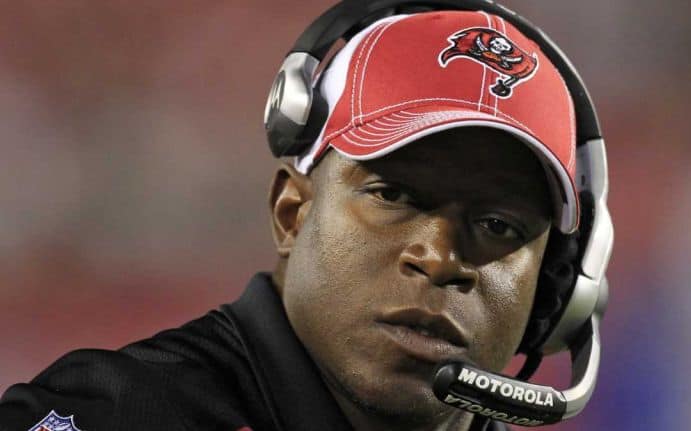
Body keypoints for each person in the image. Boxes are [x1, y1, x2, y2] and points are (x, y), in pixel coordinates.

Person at [0, 2, 612, 430]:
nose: (438, 257)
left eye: (499, 226)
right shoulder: (118, 414)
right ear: (291, 213)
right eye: (394, 196)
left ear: (555, 292)